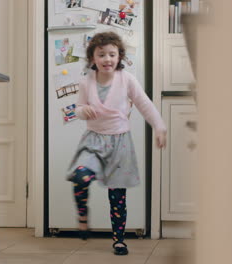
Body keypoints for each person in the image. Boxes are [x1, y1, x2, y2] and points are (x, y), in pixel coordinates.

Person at [66, 31, 167, 256]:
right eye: (101, 55)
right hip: (93, 141)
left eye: (112, 54)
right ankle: (83, 216)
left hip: (120, 143)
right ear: (93, 58)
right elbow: (78, 108)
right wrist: (83, 111)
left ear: (119, 56)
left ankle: (118, 241)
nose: (107, 59)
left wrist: (159, 126)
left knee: (117, 196)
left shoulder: (127, 79)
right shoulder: (86, 81)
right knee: (80, 176)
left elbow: (144, 104)